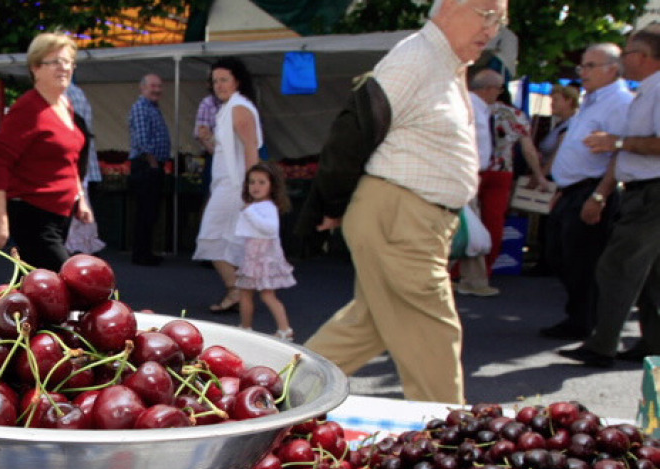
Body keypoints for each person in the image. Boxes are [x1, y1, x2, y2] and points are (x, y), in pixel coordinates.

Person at [299, 0, 505, 404]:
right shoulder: (417, 58)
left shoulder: (444, 63)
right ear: (449, 7)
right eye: (487, 14)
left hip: (408, 217)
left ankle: (282, 394)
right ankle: (447, 440)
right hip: (401, 217)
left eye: (500, 20)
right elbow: (352, 129)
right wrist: (330, 204)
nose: (493, 28)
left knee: (369, 324)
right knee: (434, 332)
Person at [560, 24, 660, 367]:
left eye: (628, 53)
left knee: (616, 267)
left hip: (651, 193)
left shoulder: (656, 90)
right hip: (643, 191)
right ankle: (652, 344)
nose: (623, 59)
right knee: (648, 275)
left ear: (643, 57)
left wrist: (617, 143)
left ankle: (602, 345)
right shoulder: (647, 90)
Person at [541, 45, 632, 342]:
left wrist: (599, 196)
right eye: (583, 66)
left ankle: (586, 322)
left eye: (591, 66)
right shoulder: (593, 100)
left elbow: (618, 155)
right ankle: (580, 316)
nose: (583, 73)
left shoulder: (619, 101)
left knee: (583, 260)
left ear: (612, 69)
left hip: (592, 189)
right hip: (572, 190)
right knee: (559, 254)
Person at [0, 32, 91, 272]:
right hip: (33, 215)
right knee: (68, 279)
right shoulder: (27, 109)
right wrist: (0, 217)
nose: (63, 68)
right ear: (35, 68)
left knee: (40, 287)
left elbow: (70, 159)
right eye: (54, 62)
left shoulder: (65, 105)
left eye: (68, 62)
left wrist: (81, 198)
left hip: (60, 215)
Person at [459, 69, 551, 296]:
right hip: (501, 172)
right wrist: (538, 174)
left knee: (466, 222)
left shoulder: (465, 106)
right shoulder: (513, 114)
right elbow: (528, 148)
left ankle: (459, 273)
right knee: (493, 223)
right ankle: (483, 273)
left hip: (474, 172)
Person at [192, 57, 261, 313]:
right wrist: (208, 140)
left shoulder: (239, 108)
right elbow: (222, 151)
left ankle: (236, 290)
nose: (218, 85)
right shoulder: (228, 108)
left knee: (211, 236)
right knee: (226, 239)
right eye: (215, 81)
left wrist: (253, 189)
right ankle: (239, 291)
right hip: (226, 183)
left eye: (224, 79)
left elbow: (252, 150)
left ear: (237, 81)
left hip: (235, 185)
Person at [235, 162, 295, 340]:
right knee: (246, 292)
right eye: (252, 182)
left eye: (261, 182)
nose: (255, 187)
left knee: (267, 294)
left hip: (263, 257)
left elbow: (270, 228)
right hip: (253, 255)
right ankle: (246, 327)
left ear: (272, 186)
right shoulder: (255, 206)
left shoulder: (266, 207)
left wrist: (250, 214)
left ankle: (284, 329)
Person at [128, 73, 169, 266]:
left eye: (159, 86)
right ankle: (140, 254)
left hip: (153, 165)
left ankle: (146, 251)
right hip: (146, 165)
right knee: (145, 211)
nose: (157, 90)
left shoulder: (153, 108)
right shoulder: (141, 108)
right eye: (153, 86)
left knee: (151, 212)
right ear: (142, 87)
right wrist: (153, 164)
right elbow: (143, 141)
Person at [64, 80, 106, 256]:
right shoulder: (78, 93)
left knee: (70, 237)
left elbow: (73, 136)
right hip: (83, 170)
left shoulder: (64, 96)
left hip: (73, 171)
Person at [538, 84, 580, 178]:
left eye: (555, 100)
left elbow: (557, 156)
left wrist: (540, 177)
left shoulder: (571, 125)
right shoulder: (560, 124)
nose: (552, 103)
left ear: (569, 101)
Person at [193, 87, 221, 196]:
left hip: (235, 157)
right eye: (216, 81)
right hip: (214, 157)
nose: (219, 85)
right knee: (212, 196)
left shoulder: (239, 103)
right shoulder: (208, 103)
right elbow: (201, 134)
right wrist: (216, 153)